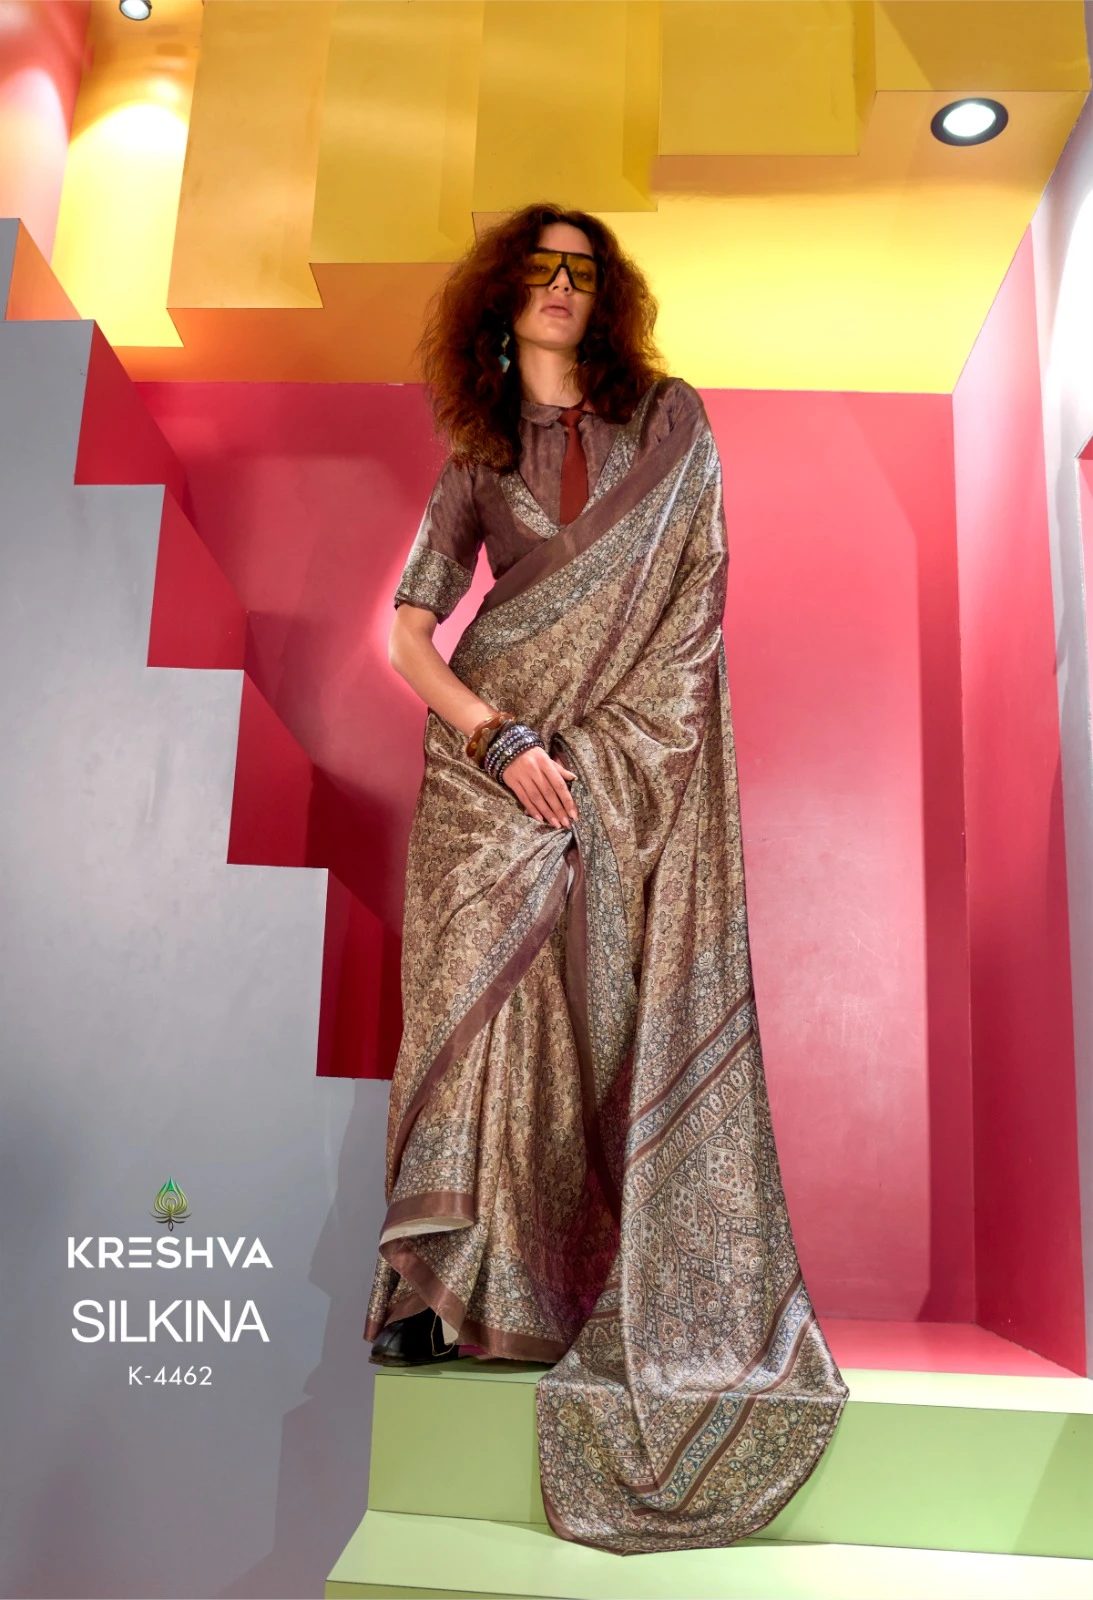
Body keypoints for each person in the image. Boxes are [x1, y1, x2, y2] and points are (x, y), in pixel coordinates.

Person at [363, 203, 847, 1555]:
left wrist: (600, 757)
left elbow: (693, 608)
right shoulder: (475, 461)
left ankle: (546, 1291)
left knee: (572, 1018)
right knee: (469, 1008)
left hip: (614, 765)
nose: (563, 286)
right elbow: (409, 636)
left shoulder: (668, 428)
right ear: (502, 296)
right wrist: (500, 737)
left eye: (583, 269)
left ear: (606, 293)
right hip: (487, 770)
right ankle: (437, 1286)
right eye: (541, 268)